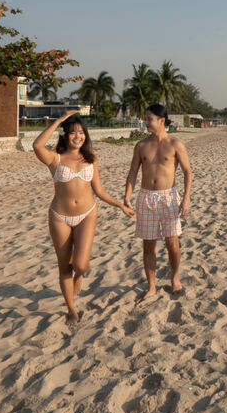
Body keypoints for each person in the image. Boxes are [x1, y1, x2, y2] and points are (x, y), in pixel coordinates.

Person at [33, 111, 132, 323]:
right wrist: (59, 121)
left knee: (81, 264)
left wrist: (120, 205)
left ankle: (79, 275)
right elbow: (37, 145)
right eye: (72, 132)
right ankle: (71, 309)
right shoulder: (55, 158)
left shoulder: (91, 159)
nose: (77, 136)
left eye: (81, 132)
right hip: (60, 216)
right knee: (64, 266)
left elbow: (99, 190)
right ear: (64, 135)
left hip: (87, 214)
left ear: (85, 135)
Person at [123, 104, 193, 304]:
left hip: (169, 197)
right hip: (146, 198)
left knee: (172, 242)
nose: (146, 122)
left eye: (149, 119)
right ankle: (151, 286)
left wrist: (186, 198)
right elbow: (133, 173)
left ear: (162, 120)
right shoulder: (141, 146)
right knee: (148, 245)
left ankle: (175, 278)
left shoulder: (175, 144)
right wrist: (127, 196)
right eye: (145, 118)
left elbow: (188, 172)